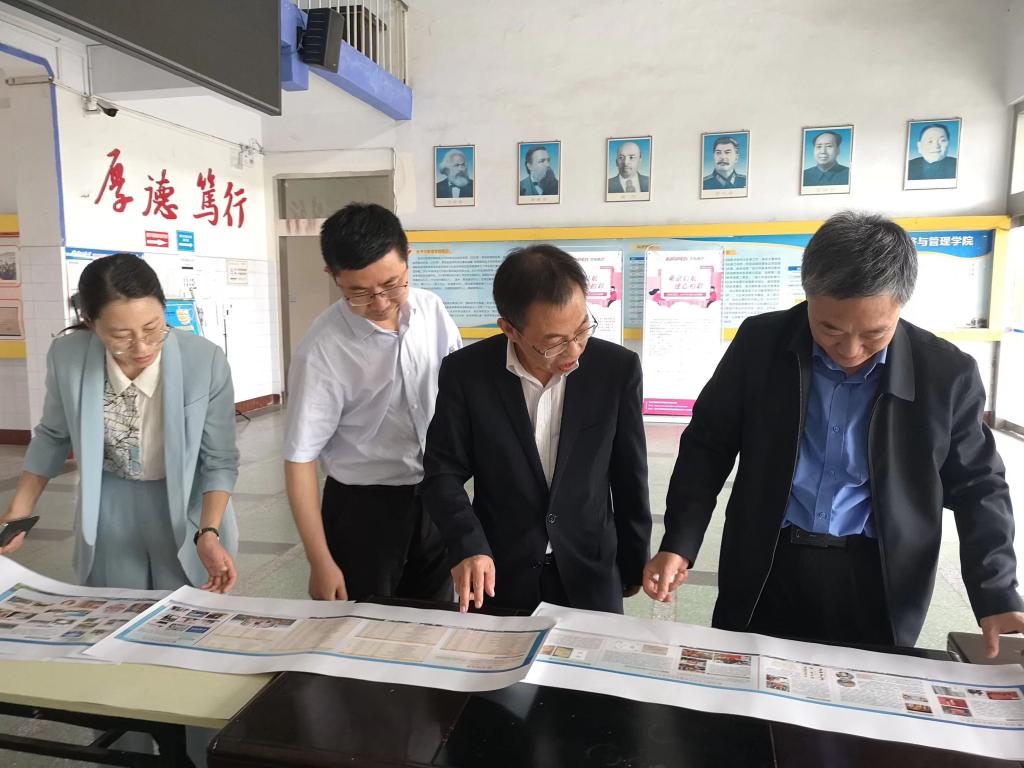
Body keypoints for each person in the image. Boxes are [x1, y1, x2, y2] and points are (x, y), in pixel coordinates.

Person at [643, 211, 1024, 658]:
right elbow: (708, 445)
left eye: (874, 333)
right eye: (830, 329)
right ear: (807, 296)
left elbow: (979, 484)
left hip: (878, 575)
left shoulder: (946, 373)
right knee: (744, 677)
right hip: (767, 562)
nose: (850, 349)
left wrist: (996, 592)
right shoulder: (761, 344)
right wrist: (679, 542)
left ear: (901, 305)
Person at [421, 244, 652, 614]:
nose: (574, 351)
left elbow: (630, 474)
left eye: (582, 329)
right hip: (499, 574)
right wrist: (468, 545)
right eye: (555, 342)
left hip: (591, 573)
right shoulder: (467, 374)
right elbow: (442, 473)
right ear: (510, 329)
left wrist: (634, 561)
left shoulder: (616, 370)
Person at [0, 253, 239, 592]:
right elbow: (52, 436)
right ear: (90, 322)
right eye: (121, 335)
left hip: (191, 509)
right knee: (113, 606)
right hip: (110, 507)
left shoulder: (204, 359)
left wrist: (209, 531)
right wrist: (18, 511)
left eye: (153, 328)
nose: (141, 347)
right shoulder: (67, 357)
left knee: (187, 605)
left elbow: (220, 458)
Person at [284, 203, 460, 602]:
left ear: (408, 257)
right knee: (359, 623)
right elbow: (299, 459)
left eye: (392, 284)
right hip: (362, 510)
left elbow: (456, 397)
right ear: (332, 276)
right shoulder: (322, 348)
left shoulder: (431, 310)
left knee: (435, 617)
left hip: (435, 495)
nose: (380, 303)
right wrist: (319, 560)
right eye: (358, 293)